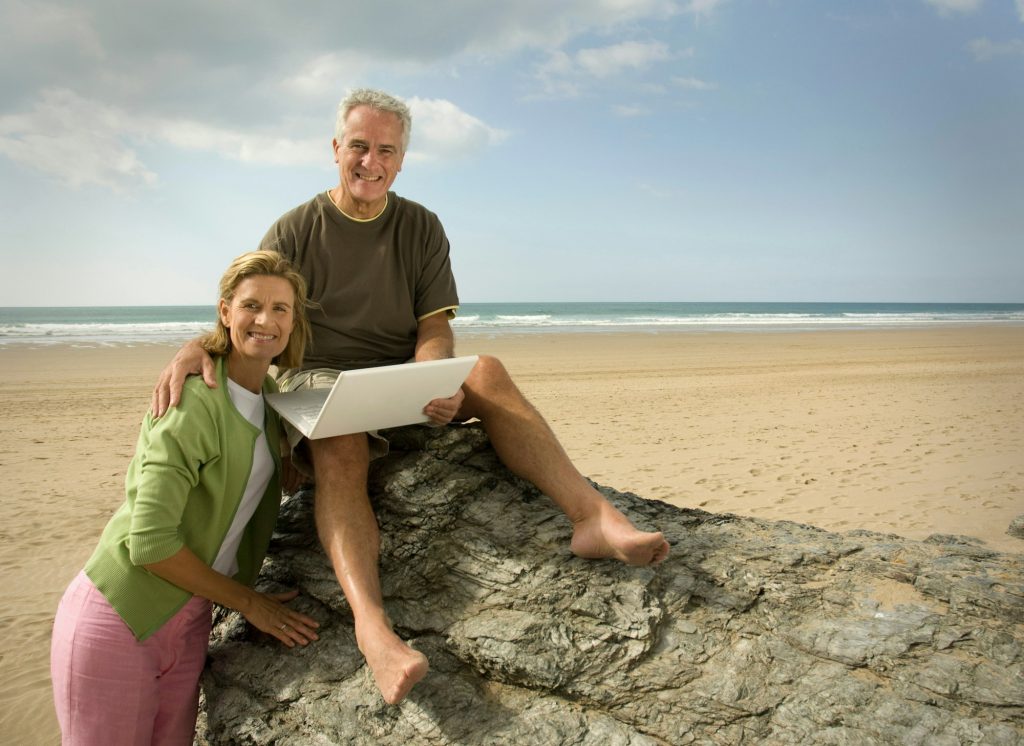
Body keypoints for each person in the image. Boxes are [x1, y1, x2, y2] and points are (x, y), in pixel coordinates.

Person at [151, 88, 670, 706]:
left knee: (490, 370)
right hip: (316, 379)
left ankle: (592, 518)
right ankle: (375, 629)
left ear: (402, 160)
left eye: (386, 150)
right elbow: (249, 303)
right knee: (342, 447)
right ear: (336, 149)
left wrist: (432, 378)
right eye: (360, 146)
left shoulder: (421, 225)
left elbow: (434, 327)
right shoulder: (296, 227)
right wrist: (196, 345)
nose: (371, 161)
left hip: (398, 375)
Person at [51, 250, 321, 745]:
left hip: (191, 620)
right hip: (119, 617)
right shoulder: (191, 400)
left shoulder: (271, 403)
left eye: (281, 309)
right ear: (225, 312)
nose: (266, 320)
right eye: (251, 306)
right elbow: (149, 543)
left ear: (294, 320)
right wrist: (251, 603)